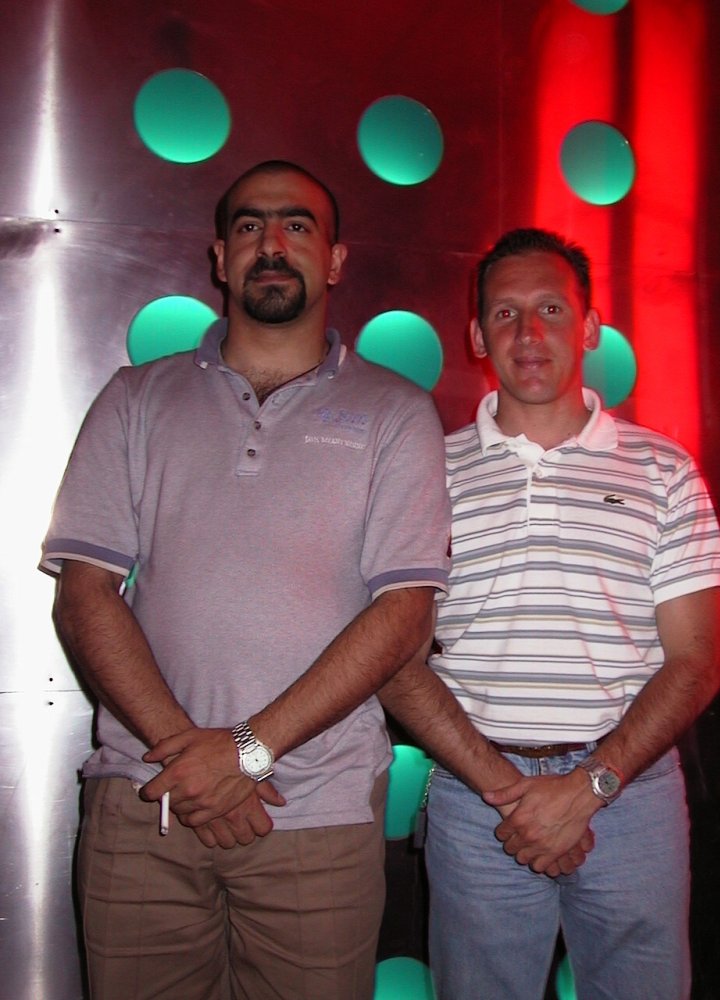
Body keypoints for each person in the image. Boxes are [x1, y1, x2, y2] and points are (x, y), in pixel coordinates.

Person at [40, 160, 451, 1000]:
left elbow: (405, 615)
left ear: (335, 260)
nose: (272, 243)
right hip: (146, 802)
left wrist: (246, 750)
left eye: (298, 225)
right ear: (219, 258)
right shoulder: (134, 398)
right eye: (249, 226)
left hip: (317, 815)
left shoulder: (398, 413)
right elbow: (84, 596)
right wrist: (194, 762)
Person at [379, 228, 720, 1000]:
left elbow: (697, 660)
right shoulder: (424, 472)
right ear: (477, 337)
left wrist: (588, 787)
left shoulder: (666, 470)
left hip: (631, 797)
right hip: (476, 799)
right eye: (505, 314)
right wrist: (510, 791)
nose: (529, 333)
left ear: (591, 327)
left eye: (551, 309)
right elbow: (396, 662)